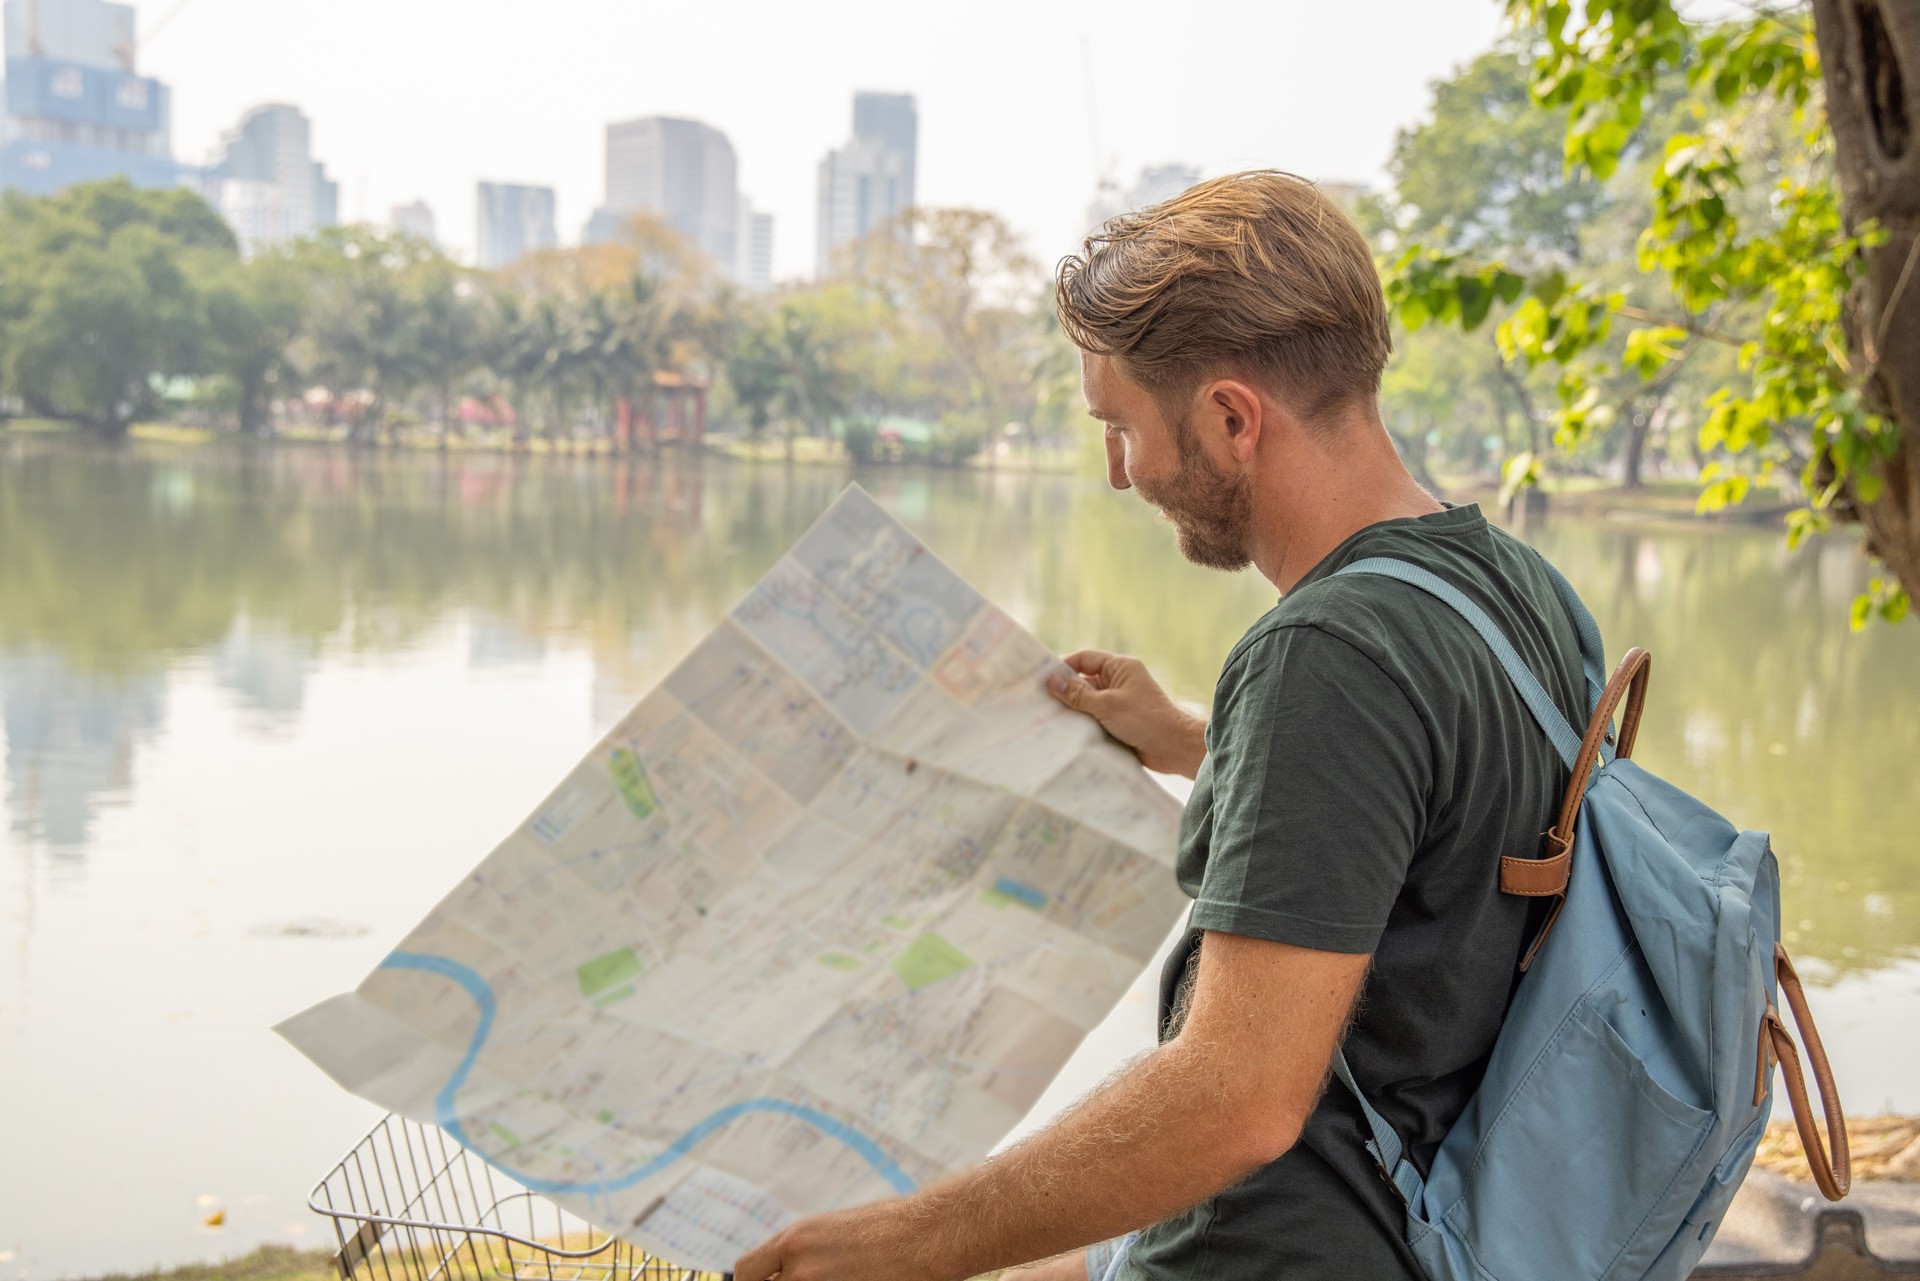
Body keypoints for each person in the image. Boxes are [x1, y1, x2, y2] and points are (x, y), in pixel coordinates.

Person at [733, 170, 1588, 1281]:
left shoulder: (1325, 656)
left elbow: (1234, 1102)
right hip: (1447, 1225)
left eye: (1121, 426)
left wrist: (895, 1243)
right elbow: (1440, 822)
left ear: (1233, 417)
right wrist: (1192, 741)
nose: (1117, 470)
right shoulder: (1514, 586)